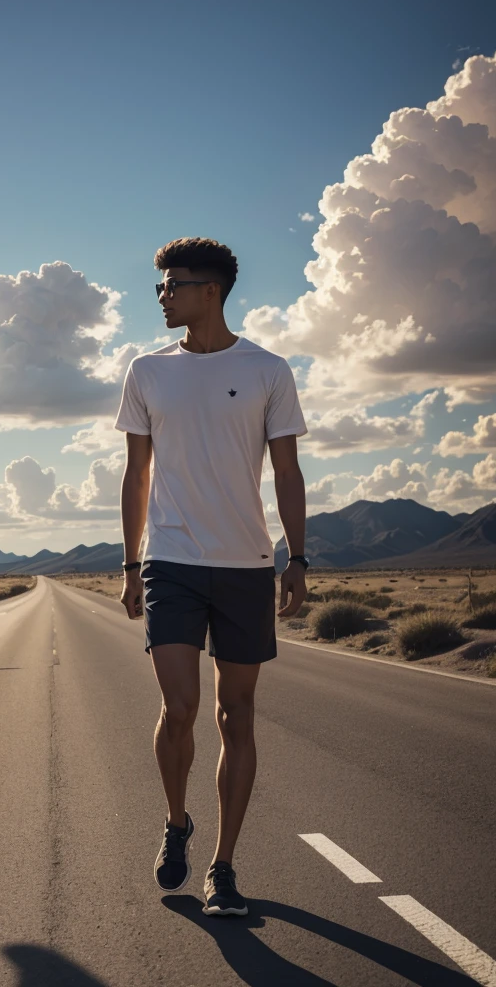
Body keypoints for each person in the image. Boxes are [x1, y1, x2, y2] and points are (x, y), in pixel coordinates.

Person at [115, 238, 307, 917]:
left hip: (247, 565)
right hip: (171, 560)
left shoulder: (267, 370)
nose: (162, 295)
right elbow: (137, 473)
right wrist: (132, 562)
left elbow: (286, 470)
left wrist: (298, 557)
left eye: (173, 285)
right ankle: (176, 822)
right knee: (182, 706)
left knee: (236, 713)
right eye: (160, 286)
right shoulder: (146, 371)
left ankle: (223, 867)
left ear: (212, 291)